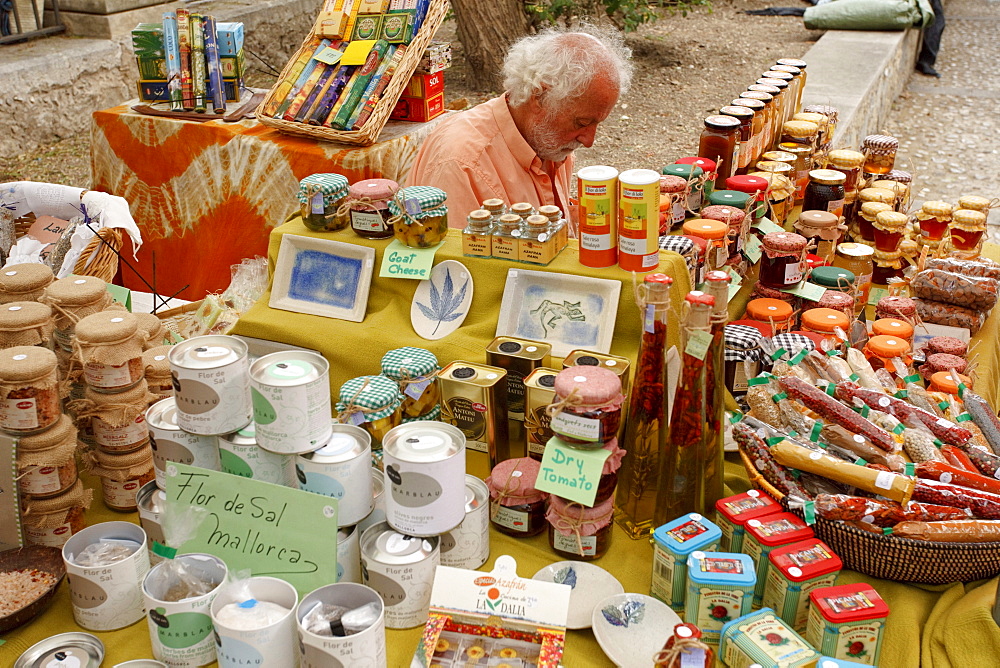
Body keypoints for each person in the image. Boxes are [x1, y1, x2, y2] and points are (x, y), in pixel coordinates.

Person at [406, 26, 633, 231]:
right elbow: (457, 270)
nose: (588, 140)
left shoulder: (548, 139)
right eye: (582, 123)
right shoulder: (460, 162)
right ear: (539, 96)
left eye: (596, 123)